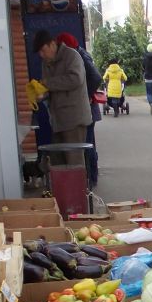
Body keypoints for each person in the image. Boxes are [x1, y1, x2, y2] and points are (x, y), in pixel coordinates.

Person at [33, 29, 92, 169]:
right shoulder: (46, 62)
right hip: (58, 120)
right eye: (39, 53)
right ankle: (63, 191)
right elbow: (50, 88)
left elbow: (75, 79)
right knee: (58, 162)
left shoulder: (72, 56)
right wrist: (42, 94)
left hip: (74, 119)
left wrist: (47, 83)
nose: (42, 55)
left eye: (43, 50)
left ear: (52, 44)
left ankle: (77, 191)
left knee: (74, 163)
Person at [57, 32, 102, 187]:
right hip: (88, 108)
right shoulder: (80, 54)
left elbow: (96, 77)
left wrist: (87, 94)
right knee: (88, 144)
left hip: (87, 108)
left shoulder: (80, 57)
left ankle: (91, 179)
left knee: (87, 145)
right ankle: (92, 178)